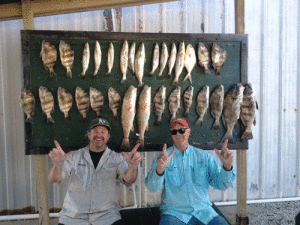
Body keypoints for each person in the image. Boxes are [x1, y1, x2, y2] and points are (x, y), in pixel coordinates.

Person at [48, 118, 141, 225]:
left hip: (107, 217)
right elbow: (53, 179)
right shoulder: (74, 156)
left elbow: (129, 180)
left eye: (103, 132)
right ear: (88, 134)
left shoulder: (117, 158)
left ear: (108, 136)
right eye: (95, 131)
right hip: (73, 218)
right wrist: (57, 164)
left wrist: (133, 166)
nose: (99, 135)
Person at [145, 118, 235, 225]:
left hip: (204, 212)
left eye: (182, 130)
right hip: (174, 214)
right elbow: (152, 187)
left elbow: (221, 184)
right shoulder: (162, 158)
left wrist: (227, 166)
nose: (178, 134)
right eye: (174, 131)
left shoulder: (204, 156)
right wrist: (159, 169)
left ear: (189, 131)